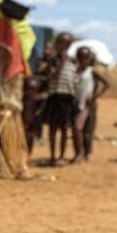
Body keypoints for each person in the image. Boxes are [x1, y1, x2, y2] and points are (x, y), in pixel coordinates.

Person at [44, 33, 77, 165]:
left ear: (69, 45)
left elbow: (77, 80)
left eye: (65, 44)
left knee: (64, 128)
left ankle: (61, 157)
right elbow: (52, 76)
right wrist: (61, 63)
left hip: (67, 99)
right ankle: (52, 156)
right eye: (60, 43)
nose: (62, 46)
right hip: (54, 97)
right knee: (52, 128)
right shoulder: (52, 60)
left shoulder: (73, 61)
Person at [72, 49, 108, 162]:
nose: (83, 60)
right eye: (81, 57)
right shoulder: (75, 71)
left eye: (86, 58)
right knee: (77, 129)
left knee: (83, 129)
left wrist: (94, 97)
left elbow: (107, 84)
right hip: (76, 103)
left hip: (87, 104)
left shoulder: (91, 71)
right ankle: (79, 153)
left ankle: (83, 153)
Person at [22, 77, 44, 154]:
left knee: (30, 141)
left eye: (34, 90)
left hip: (31, 126)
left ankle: (28, 155)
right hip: (21, 125)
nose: (31, 92)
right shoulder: (21, 101)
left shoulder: (37, 102)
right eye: (29, 89)